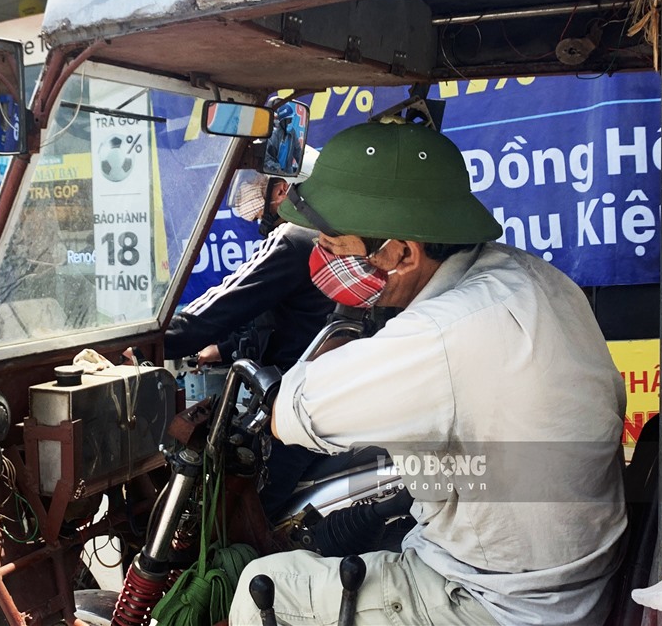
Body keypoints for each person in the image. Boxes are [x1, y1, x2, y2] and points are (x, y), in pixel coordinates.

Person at [228, 122, 627, 626]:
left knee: (260, 589)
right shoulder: (533, 277)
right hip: (571, 575)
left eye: (334, 245)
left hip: (498, 602)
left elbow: (292, 414)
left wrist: (345, 328)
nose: (323, 258)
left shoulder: (441, 333)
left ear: (403, 253)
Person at [165, 149, 337, 520]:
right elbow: (295, 320)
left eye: (261, 189)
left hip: (298, 406)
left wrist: (151, 341)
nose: (256, 204)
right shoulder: (328, 235)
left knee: (228, 516)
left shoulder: (295, 240)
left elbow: (214, 311)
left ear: (285, 191)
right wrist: (223, 348)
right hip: (324, 393)